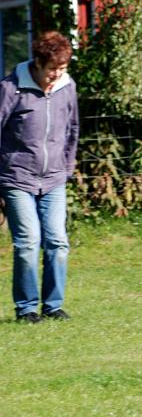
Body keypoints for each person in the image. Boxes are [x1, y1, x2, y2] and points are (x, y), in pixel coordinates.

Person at [0, 31, 79, 323]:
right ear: (37, 63)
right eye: (51, 70)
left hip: (55, 178)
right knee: (28, 241)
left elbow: (73, 129)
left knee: (58, 241)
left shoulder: (67, 87)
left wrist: (66, 168)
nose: (56, 75)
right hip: (17, 177)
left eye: (62, 69)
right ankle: (27, 309)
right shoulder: (11, 89)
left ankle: (53, 305)